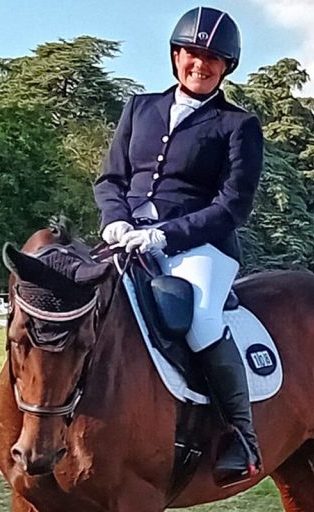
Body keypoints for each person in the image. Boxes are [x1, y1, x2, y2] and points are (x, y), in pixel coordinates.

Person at [93, 6, 263, 487]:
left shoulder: (237, 125)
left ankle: (242, 435)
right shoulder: (138, 108)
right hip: (128, 239)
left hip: (201, 247)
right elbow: (110, 179)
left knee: (201, 319)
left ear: (226, 67)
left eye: (213, 59)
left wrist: (167, 235)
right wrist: (114, 220)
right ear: (175, 56)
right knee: (75, 301)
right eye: (192, 54)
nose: (200, 65)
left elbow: (232, 206)